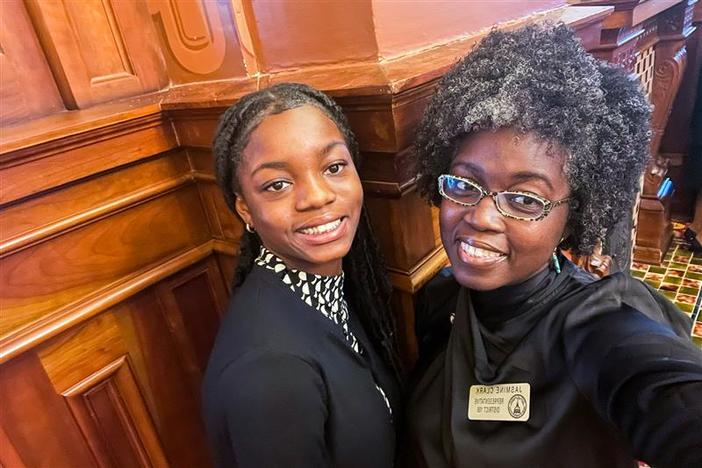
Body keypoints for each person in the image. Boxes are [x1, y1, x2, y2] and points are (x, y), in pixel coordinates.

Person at [405, 24, 702, 468]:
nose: (480, 216)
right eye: (465, 184)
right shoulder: (439, 300)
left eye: (525, 200)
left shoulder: (597, 326)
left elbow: (668, 394)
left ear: (572, 219)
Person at [202, 83, 402, 468]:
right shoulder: (270, 372)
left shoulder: (325, 293)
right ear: (245, 208)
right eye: (277, 185)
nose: (316, 196)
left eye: (334, 167)